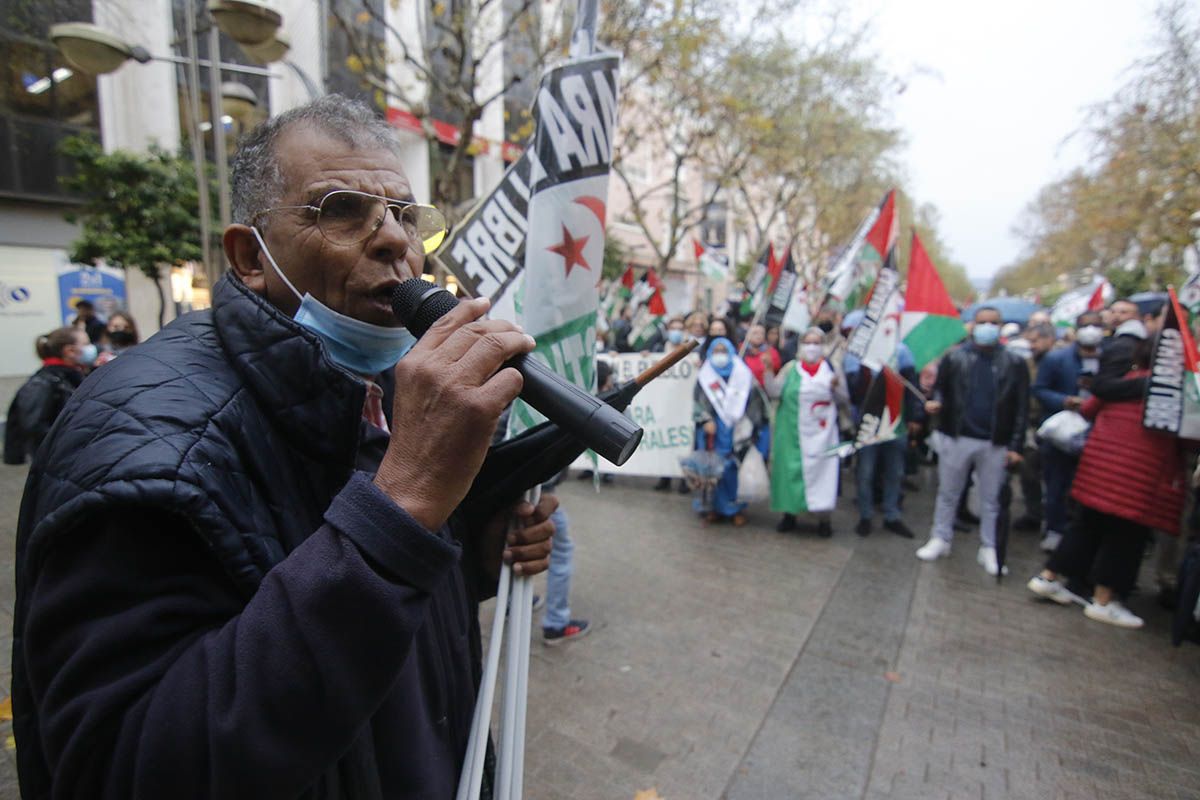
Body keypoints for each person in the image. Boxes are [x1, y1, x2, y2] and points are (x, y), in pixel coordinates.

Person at [11, 95, 557, 799]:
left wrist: (469, 560)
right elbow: (129, 767)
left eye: (403, 215)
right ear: (249, 257)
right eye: (341, 209)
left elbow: (370, 602)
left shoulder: (388, 383)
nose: (395, 240)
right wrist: (403, 506)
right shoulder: (143, 440)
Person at [1028, 340, 1190, 629]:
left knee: (1085, 526)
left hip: (1097, 469)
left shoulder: (1118, 384)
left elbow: (1089, 410)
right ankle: (1104, 601)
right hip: (1140, 478)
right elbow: (1188, 437)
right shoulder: (1176, 394)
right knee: (1126, 538)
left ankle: (1049, 578)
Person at [916, 307, 1029, 575]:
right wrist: (937, 404)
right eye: (982, 322)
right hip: (957, 436)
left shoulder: (1014, 363)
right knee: (948, 492)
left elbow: (1021, 407)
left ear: (1001, 326)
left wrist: (1016, 445)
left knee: (991, 499)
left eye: (993, 322)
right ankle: (940, 538)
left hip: (994, 441)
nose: (987, 327)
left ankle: (989, 547)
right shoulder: (955, 358)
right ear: (972, 326)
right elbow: (941, 389)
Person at [1032, 311, 1103, 551]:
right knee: (1056, 484)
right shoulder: (1056, 359)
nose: (1091, 330)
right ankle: (1054, 528)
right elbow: (1039, 390)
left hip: (1095, 434)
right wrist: (1064, 401)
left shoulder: (1109, 361)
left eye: (1096, 325)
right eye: (1086, 325)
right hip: (1060, 434)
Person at [770, 327, 847, 537]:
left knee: (823, 475)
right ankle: (789, 515)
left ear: (822, 345)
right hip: (792, 431)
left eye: (816, 342)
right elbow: (775, 392)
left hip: (822, 435)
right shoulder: (791, 368)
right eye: (807, 342)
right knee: (790, 472)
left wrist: (836, 387)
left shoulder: (832, 368)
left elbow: (844, 400)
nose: (811, 347)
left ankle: (823, 519)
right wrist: (768, 372)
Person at [843, 343, 920, 539]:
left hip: (895, 423)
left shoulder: (903, 352)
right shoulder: (861, 354)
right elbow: (853, 390)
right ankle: (865, 515)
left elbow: (912, 387)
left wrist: (914, 417)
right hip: (869, 423)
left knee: (895, 472)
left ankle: (891, 515)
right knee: (865, 472)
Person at [693, 337, 769, 525]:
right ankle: (714, 508)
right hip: (714, 430)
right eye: (716, 351)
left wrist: (748, 423)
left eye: (723, 351)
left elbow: (755, 401)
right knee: (714, 468)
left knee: (735, 468)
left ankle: (736, 509)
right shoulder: (705, 375)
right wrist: (705, 420)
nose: (720, 355)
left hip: (738, 428)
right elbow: (697, 402)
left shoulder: (743, 373)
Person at [3, 328, 93, 465]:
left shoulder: (73, 376)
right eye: (86, 343)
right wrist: (73, 440)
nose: (91, 348)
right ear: (69, 351)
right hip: (59, 461)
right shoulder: (43, 383)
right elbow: (35, 426)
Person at [1012, 322, 1057, 532]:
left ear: (1050, 340)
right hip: (1032, 425)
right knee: (1028, 471)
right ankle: (1034, 513)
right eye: (1030, 341)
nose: (1032, 345)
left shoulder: (1059, 361)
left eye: (1036, 340)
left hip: (1056, 426)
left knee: (1055, 476)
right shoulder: (1026, 364)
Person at [741, 323, 781, 387]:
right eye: (755, 333)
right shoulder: (741, 350)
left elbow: (776, 369)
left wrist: (769, 365)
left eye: (762, 333)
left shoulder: (771, 352)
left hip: (762, 388)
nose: (759, 336)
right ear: (747, 335)